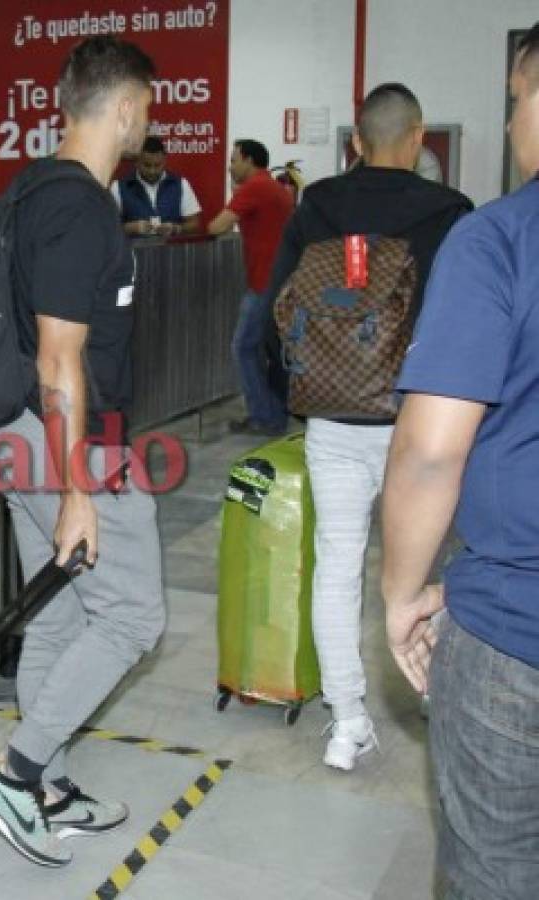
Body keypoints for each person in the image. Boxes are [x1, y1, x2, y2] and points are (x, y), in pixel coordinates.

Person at [0, 36, 165, 868]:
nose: (148, 121)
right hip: (64, 445)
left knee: (55, 613)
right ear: (121, 107)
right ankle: (13, 774)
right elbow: (58, 356)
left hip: (16, 436)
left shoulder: (29, 192)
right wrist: (80, 483)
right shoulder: (79, 207)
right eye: (147, 107)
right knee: (131, 616)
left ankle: (44, 783)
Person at [263, 83, 472, 772]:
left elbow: (275, 307)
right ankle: (434, 697)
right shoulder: (448, 212)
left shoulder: (316, 204)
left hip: (332, 415)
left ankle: (345, 724)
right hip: (420, 424)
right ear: (415, 139)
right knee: (428, 570)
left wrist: (286, 393)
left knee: (336, 568)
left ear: (355, 141)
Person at [381, 22, 539, 898]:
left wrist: (404, 593)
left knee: (495, 873)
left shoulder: (499, 240)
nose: (513, 123)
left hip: (515, 634)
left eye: (514, 100)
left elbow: (431, 453)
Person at [207, 139, 294, 435]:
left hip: (264, 283)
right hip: (279, 281)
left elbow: (216, 226)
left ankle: (265, 416)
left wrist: (235, 196)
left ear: (248, 160)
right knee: (268, 351)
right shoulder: (274, 188)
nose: (230, 166)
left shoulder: (255, 187)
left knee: (243, 347)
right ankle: (273, 413)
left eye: (234, 160)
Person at [113, 135, 202, 236]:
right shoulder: (118, 187)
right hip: (132, 251)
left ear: (165, 161)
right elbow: (107, 228)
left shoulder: (181, 184)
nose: (152, 171)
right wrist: (130, 228)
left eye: (157, 165)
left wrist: (176, 228)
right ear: (136, 162)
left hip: (171, 250)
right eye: (147, 165)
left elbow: (195, 225)